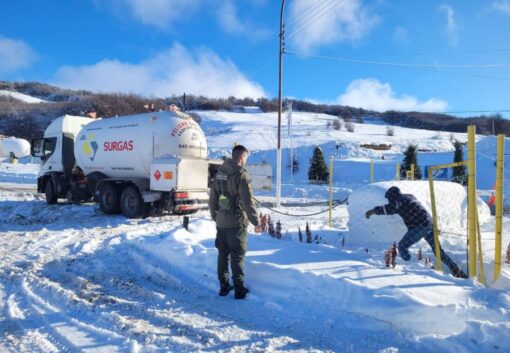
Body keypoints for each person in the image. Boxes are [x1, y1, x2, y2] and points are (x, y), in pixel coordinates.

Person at [365, 186, 467, 278]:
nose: (388, 201)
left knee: (402, 247)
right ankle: (456, 270)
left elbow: (390, 208)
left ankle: (411, 266)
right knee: (438, 252)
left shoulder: (397, 201)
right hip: (429, 224)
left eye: (389, 199)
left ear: (392, 196)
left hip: (419, 227)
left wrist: (373, 211)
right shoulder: (410, 196)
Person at [209, 145, 261, 299]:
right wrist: (256, 221)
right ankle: (239, 289)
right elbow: (247, 202)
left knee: (222, 255)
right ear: (242, 157)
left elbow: (213, 199)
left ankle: (223, 286)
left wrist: (215, 217)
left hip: (221, 222)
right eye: (246, 158)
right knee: (237, 256)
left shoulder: (219, 174)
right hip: (236, 223)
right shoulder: (241, 175)